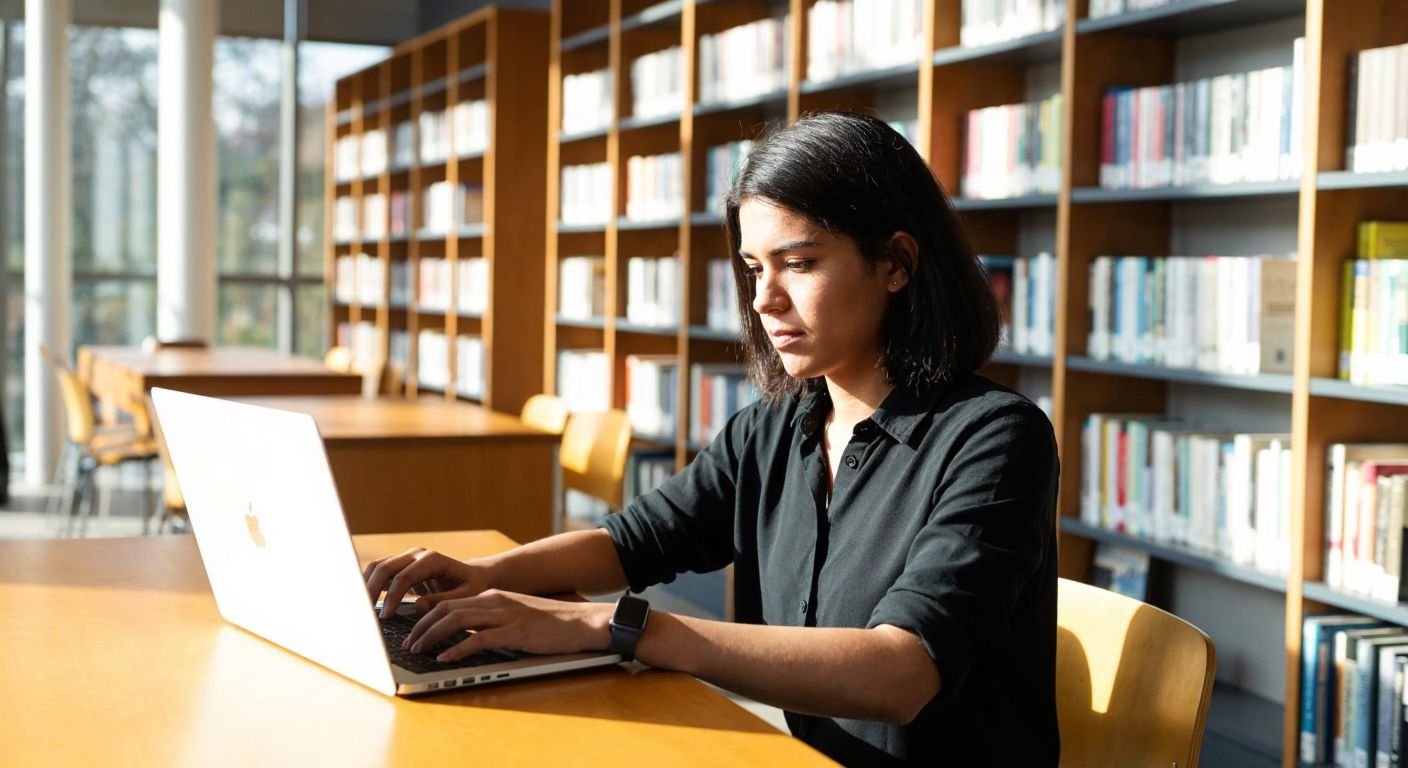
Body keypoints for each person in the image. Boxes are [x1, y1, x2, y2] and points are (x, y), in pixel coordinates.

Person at [364, 111, 1059, 767]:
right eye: (755, 268)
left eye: (801, 263)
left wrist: (618, 628)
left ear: (896, 265)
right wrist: (488, 576)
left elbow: (901, 674)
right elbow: (635, 541)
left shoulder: (995, 439)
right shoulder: (777, 424)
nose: (763, 300)